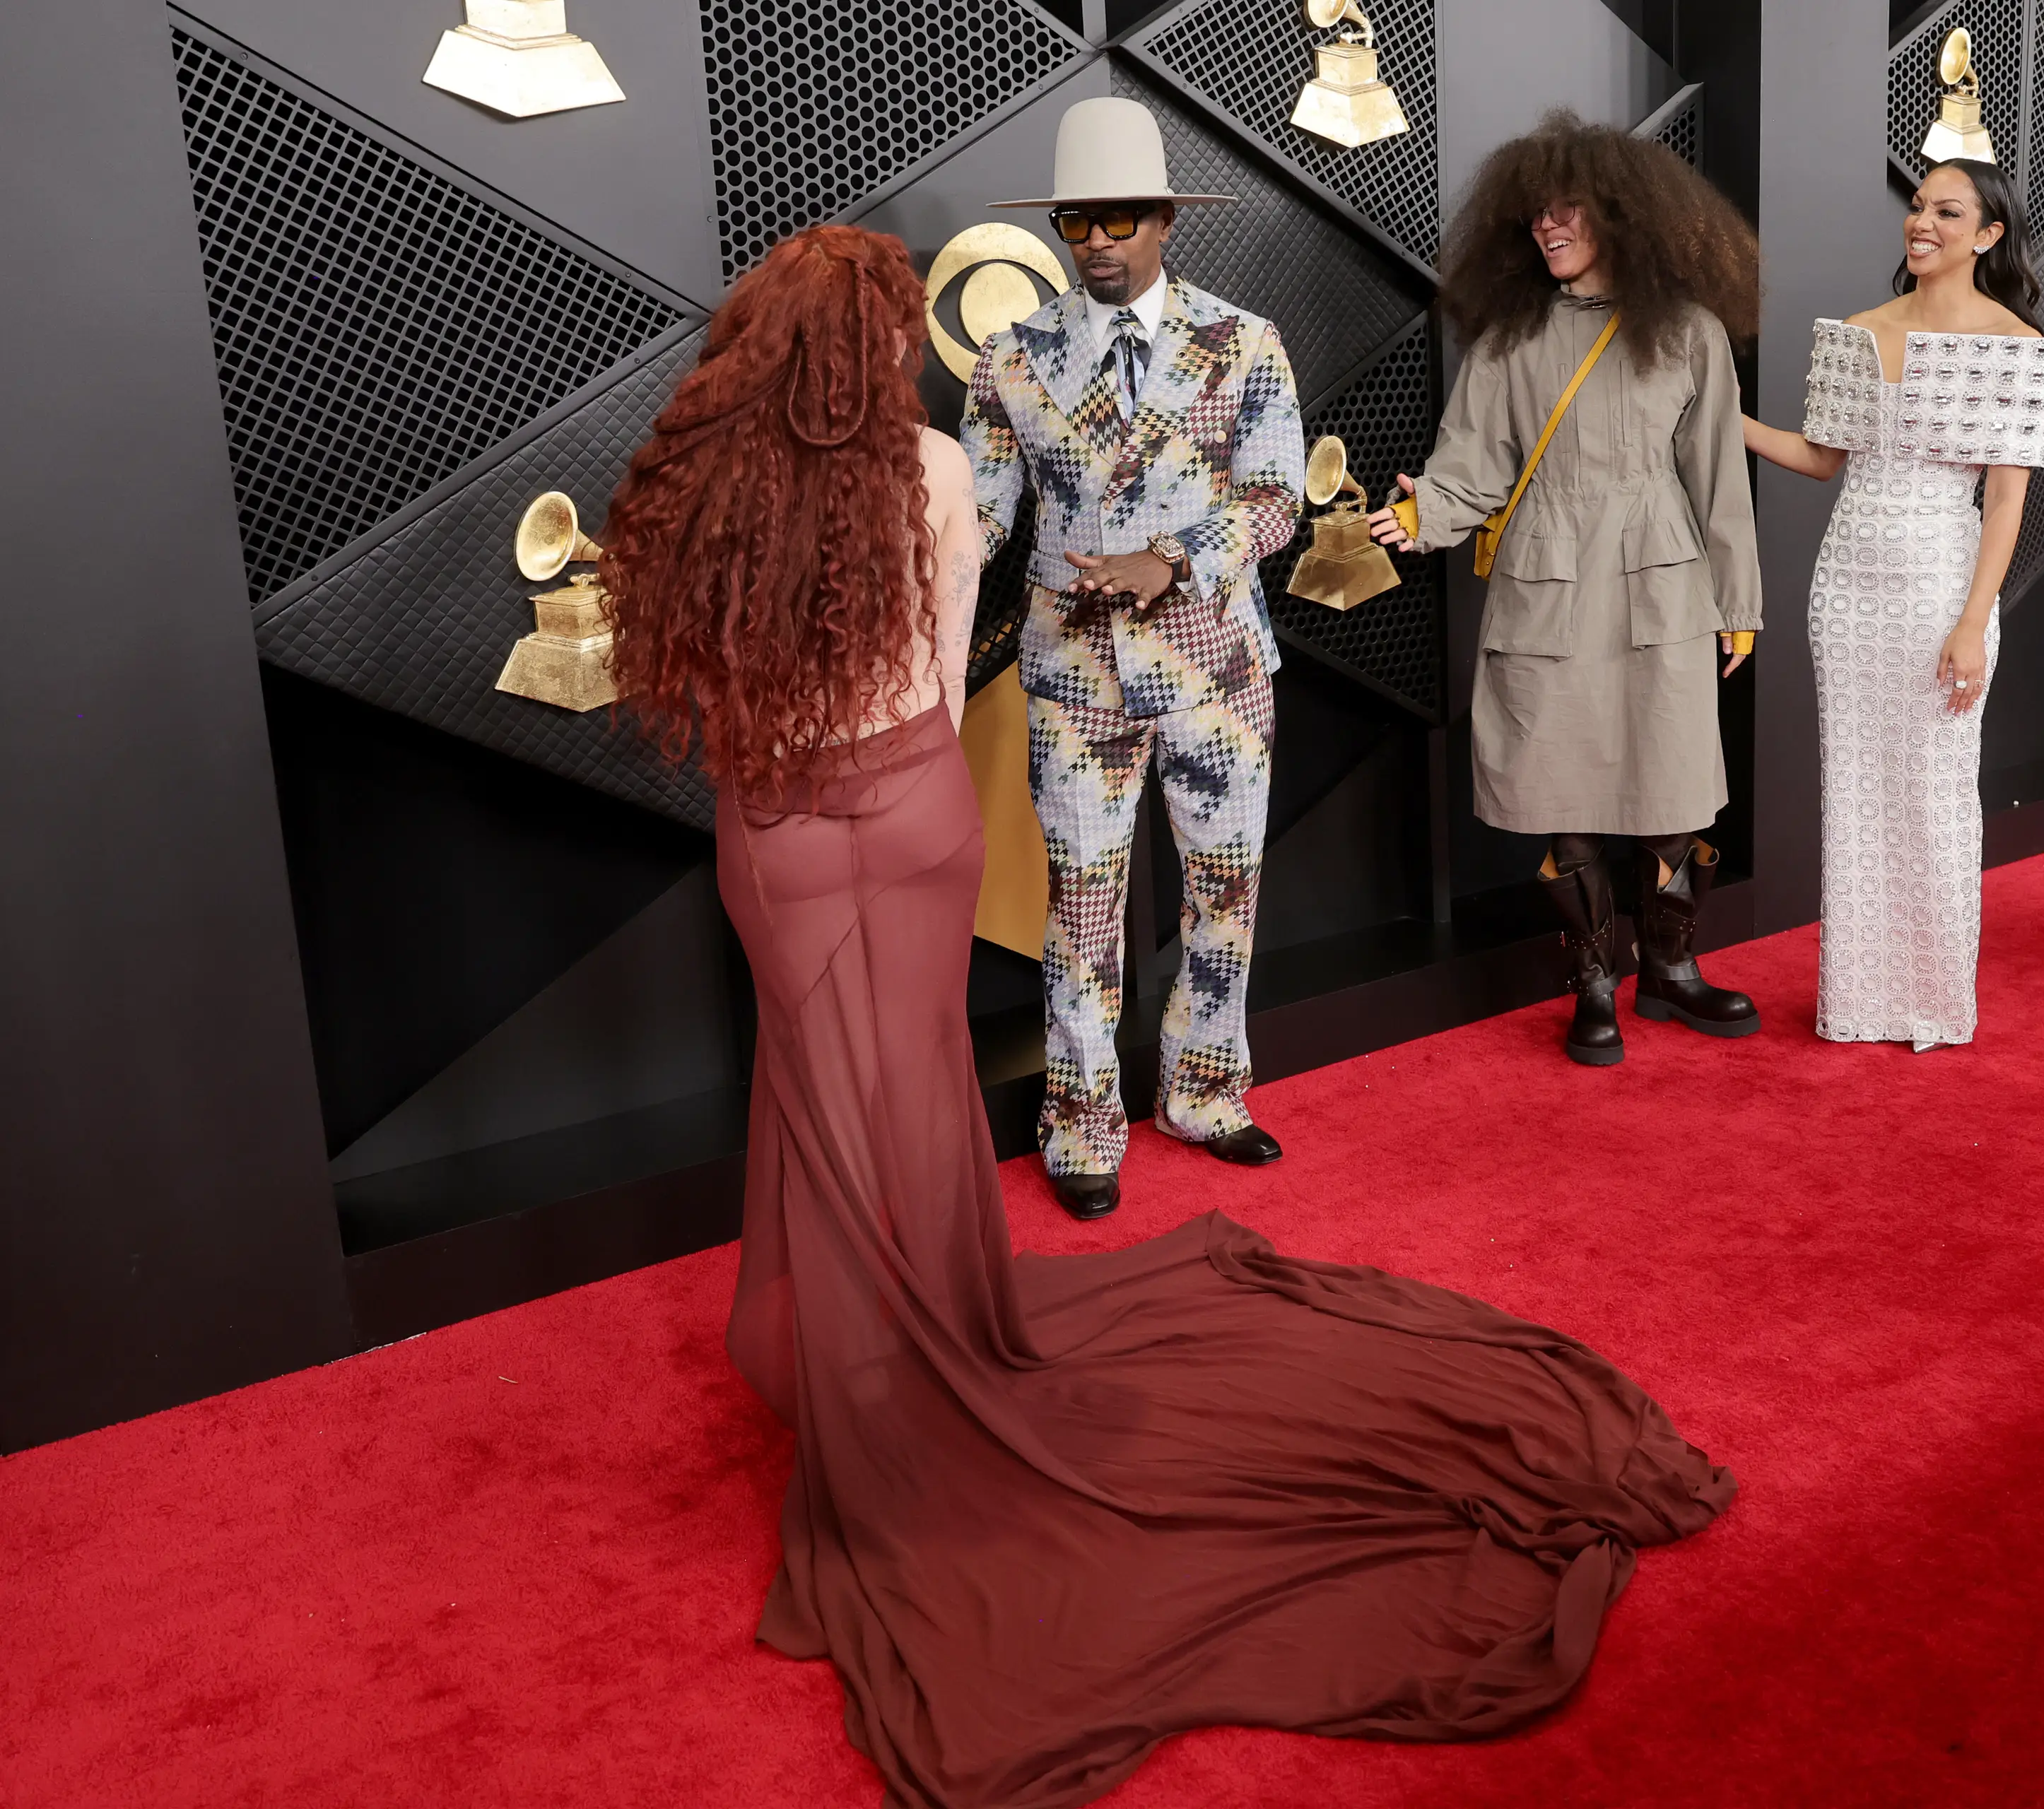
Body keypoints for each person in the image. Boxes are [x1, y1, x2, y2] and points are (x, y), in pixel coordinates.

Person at [599, 218, 1732, 1809]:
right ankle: (959, 1295)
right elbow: (935, 667)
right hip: (928, 791)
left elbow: (728, 696)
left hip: (806, 810)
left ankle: (882, 1333)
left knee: (823, 1079)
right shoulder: (942, 449)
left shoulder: (717, 482)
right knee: (923, 1072)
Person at [1366, 111, 1765, 1067]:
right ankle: (1593, 987)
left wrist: (1739, 602)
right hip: (1547, 582)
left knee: (1673, 795)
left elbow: (1718, 478)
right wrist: (1423, 520)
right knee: (1566, 801)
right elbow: (1469, 468)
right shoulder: (1509, 339)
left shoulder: (1692, 336)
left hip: (1664, 586)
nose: (1547, 228)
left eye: (1569, 211)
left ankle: (1671, 973)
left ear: (1624, 216)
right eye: (1537, 215)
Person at [963, 97, 1300, 1220]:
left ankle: (1205, 1093)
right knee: (1083, 905)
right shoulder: (1011, 360)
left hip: (1219, 676)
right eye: (1075, 224)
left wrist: (1172, 559)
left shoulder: (1244, 342)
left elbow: (1277, 501)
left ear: (1164, 220)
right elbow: (978, 519)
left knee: (1227, 891)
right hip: (1074, 683)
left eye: (1118, 220)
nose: (1096, 243)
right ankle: (1081, 1123)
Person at [1743, 159, 2044, 1050]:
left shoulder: (2016, 346)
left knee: (1932, 791)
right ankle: (1859, 999)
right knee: (1854, 792)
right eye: (1918, 206)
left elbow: (2005, 501)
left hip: (1940, 587)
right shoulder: (1859, 330)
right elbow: (1821, 459)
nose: (1922, 222)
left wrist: (1973, 621)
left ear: (1989, 234)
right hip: (1847, 586)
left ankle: (1930, 999)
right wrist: (1720, 422)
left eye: (1947, 211)